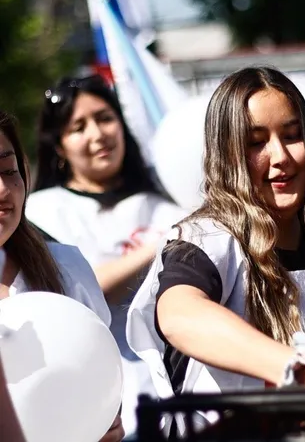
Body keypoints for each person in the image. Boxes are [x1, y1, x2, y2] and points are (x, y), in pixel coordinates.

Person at [127, 68, 305, 434]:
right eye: (256, 142)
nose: (280, 156)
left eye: (293, 136)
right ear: (228, 155)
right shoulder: (203, 243)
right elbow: (179, 315)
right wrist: (304, 373)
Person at [26, 75, 186, 438]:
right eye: (78, 127)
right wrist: (159, 246)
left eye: (105, 118)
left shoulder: (166, 207)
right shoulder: (39, 214)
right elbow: (78, 291)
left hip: (175, 399)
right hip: (95, 406)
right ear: (59, 146)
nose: (97, 134)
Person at [0, 110, 122, 441]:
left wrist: (105, 421)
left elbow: (100, 374)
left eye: (8, 171)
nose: (2, 189)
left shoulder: (67, 266)